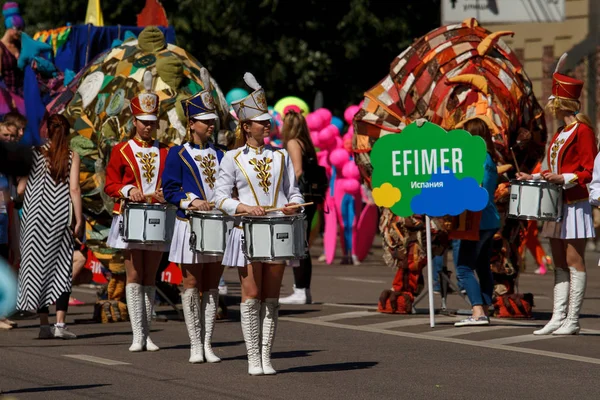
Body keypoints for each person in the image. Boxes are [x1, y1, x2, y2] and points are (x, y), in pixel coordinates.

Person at [214, 73, 304, 375]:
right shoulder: (232, 157)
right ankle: (253, 357)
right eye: (261, 121)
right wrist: (244, 207)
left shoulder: (281, 156)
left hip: (277, 230)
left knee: (272, 297)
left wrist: (294, 203)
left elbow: (293, 190)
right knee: (251, 296)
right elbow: (219, 198)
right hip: (247, 232)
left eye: (268, 121)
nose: (267, 125)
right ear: (246, 125)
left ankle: (267, 355)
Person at [518, 58, 597, 335]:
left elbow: (589, 171)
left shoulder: (583, 131)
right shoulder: (560, 134)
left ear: (562, 103)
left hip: (575, 203)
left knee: (575, 261)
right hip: (556, 204)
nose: (549, 109)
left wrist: (563, 178)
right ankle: (557, 316)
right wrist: (535, 177)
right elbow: (554, 169)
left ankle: (572, 320)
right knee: (559, 262)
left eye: (552, 103)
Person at [162, 68, 226, 363]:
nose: (211, 125)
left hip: (217, 224)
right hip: (190, 225)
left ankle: (209, 342)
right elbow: (170, 190)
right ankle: (194, 343)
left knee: (212, 285)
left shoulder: (222, 154)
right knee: (191, 284)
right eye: (206, 121)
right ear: (192, 124)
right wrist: (192, 201)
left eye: (213, 121)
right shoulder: (178, 153)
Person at [104, 71, 169, 351]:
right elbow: (109, 184)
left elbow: (171, 182)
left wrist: (168, 192)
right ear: (134, 121)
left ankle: (147, 333)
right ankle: (136, 334)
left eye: (152, 123)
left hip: (156, 217)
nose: (148, 128)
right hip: (130, 216)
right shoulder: (121, 149)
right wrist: (128, 190)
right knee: (133, 275)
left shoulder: (166, 151)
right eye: (143, 123)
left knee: (149, 277)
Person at [15, 114, 83, 339]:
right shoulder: (72, 156)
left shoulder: (34, 153)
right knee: (61, 267)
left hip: (35, 217)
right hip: (59, 217)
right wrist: (79, 219)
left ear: (47, 131)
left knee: (38, 269)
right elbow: (74, 190)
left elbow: (21, 190)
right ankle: (60, 326)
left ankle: (44, 325)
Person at [454, 117, 500, 327]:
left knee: (463, 266)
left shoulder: (475, 158)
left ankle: (477, 311)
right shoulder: (490, 159)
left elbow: (473, 187)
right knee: (482, 266)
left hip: (475, 219)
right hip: (490, 218)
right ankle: (485, 306)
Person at [279, 109, 318, 305]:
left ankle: (300, 290)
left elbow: (297, 169)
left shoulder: (293, 143)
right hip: (311, 197)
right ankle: (304, 290)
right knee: (303, 244)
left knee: (298, 244)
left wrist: (286, 189)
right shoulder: (307, 143)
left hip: (300, 198)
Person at [0, 2, 24, 96]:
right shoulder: (1, 47)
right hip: (8, 97)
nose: (20, 32)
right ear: (10, 28)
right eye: (18, 29)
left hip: (22, 94)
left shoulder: (19, 44)